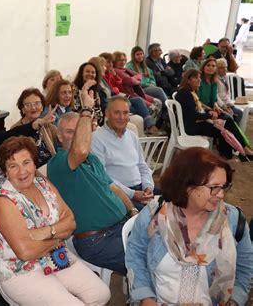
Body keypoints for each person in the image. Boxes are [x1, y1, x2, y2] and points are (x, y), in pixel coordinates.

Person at [0, 136, 111, 305]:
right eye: (13, 166)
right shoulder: (4, 202)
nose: (22, 171)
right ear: (5, 171)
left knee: (101, 294)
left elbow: (71, 221)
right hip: (22, 272)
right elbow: (25, 252)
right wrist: (58, 236)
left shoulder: (43, 184)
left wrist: (46, 233)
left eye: (26, 162)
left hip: (55, 258)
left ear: (34, 163)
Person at [125, 147, 253, 306]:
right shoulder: (155, 216)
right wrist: (146, 298)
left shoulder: (233, 221)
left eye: (224, 186)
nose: (221, 195)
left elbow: (245, 270)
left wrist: (234, 301)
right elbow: (135, 256)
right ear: (187, 186)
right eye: (214, 187)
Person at [48, 87, 137, 275]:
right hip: (97, 241)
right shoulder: (59, 162)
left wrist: (132, 210)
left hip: (121, 227)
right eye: (70, 132)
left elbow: (114, 189)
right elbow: (79, 150)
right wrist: (86, 111)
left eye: (79, 131)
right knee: (155, 257)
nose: (75, 136)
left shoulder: (93, 159)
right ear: (59, 136)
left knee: (167, 233)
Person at [91, 96, 159, 211]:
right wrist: (132, 193)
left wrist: (148, 186)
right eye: (117, 113)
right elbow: (102, 177)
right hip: (119, 194)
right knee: (155, 215)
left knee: (176, 200)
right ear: (107, 114)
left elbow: (142, 165)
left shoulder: (132, 135)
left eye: (126, 113)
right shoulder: (96, 138)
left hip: (141, 189)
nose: (122, 117)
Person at [175, 69, 253, 160]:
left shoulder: (188, 92)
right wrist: (210, 115)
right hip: (191, 127)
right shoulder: (185, 93)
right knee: (223, 128)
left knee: (226, 120)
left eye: (199, 78)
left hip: (193, 123)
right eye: (196, 78)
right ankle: (231, 155)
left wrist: (210, 112)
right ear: (188, 80)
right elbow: (193, 115)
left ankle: (236, 153)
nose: (199, 80)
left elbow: (196, 110)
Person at [89, 56, 145, 136]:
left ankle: (139, 145)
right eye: (103, 66)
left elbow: (112, 92)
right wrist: (119, 111)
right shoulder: (95, 85)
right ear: (98, 67)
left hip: (113, 105)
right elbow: (102, 106)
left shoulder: (103, 80)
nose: (105, 67)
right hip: (106, 113)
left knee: (139, 118)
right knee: (134, 125)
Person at [112, 51, 165, 134]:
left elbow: (139, 76)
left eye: (124, 60)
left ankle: (150, 127)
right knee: (153, 105)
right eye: (119, 60)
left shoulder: (125, 69)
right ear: (114, 61)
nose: (122, 62)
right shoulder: (117, 71)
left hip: (136, 93)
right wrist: (136, 79)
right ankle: (148, 128)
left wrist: (136, 79)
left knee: (158, 102)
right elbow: (131, 81)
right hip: (130, 95)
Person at [11, 87, 58, 166]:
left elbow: (63, 139)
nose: (33, 107)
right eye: (28, 105)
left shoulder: (48, 126)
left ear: (42, 107)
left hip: (51, 168)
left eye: (37, 103)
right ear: (22, 110)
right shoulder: (15, 130)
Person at [216, 58, 243, 124]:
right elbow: (215, 96)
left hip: (226, 103)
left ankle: (234, 130)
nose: (225, 69)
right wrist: (224, 106)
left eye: (226, 67)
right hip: (219, 105)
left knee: (238, 113)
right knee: (235, 114)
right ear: (216, 69)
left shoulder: (225, 77)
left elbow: (227, 93)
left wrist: (229, 103)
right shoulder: (215, 79)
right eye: (222, 68)